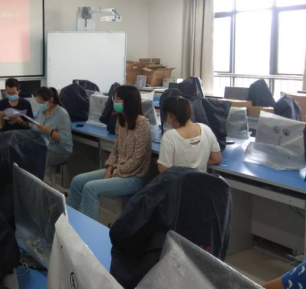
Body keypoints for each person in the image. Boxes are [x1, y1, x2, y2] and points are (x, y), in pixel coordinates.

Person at [68, 85, 151, 221]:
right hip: (117, 170)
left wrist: (114, 172)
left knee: (90, 188)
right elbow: (115, 150)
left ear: (129, 101)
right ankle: (72, 221)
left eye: (118, 99)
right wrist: (109, 169)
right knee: (77, 181)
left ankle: (87, 228)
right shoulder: (120, 121)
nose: (115, 102)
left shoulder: (142, 124)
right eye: (115, 98)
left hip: (133, 177)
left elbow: (137, 160)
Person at [158, 96, 222, 173]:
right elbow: (217, 159)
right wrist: (198, 164)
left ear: (169, 115)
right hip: (200, 180)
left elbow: (163, 169)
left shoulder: (169, 136)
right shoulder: (206, 129)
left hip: (178, 180)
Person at [33, 87, 73, 166]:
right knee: (23, 153)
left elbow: (65, 139)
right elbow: (34, 128)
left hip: (59, 151)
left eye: (41, 103)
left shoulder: (62, 114)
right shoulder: (41, 111)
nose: (40, 105)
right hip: (43, 145)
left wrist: (48, 130)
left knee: (34, 160)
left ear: (51, 100)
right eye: (38, 102)